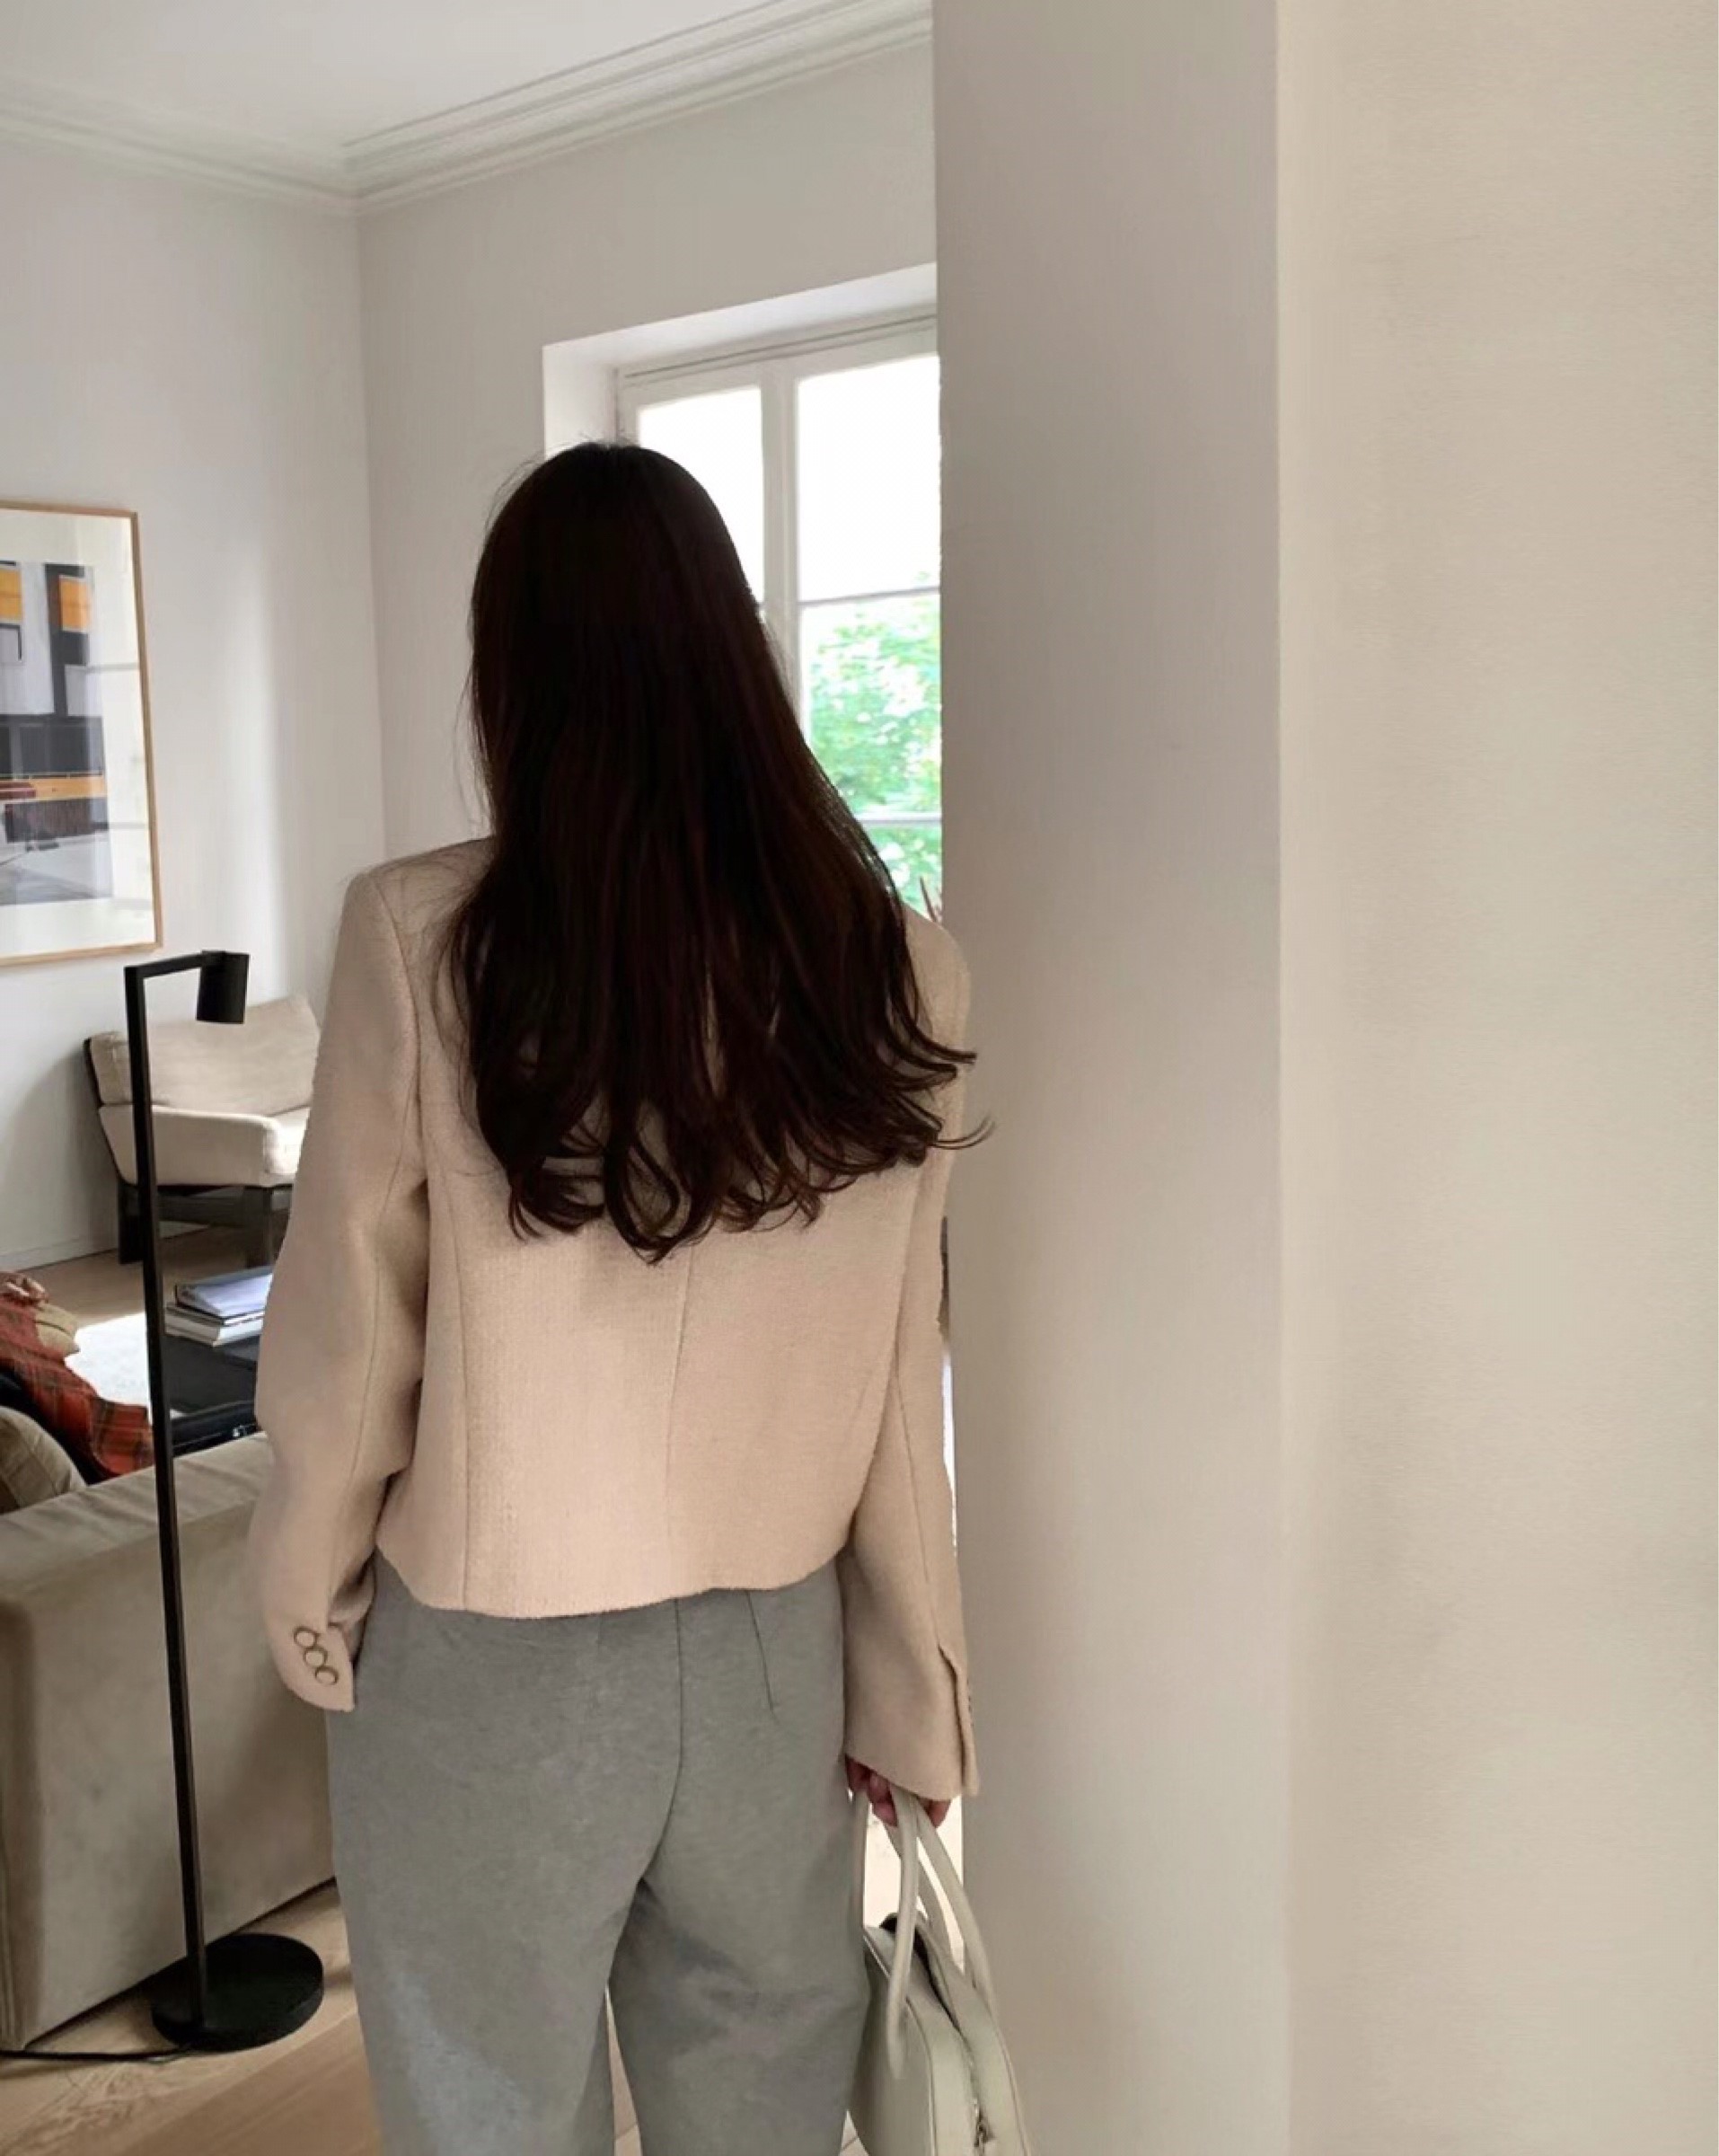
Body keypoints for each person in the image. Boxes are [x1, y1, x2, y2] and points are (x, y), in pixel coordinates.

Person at [249, 442, 981, 2156]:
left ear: (512, 672)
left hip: (491, 1650)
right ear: (736, 647)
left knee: (489, 2102)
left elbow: (352, 1348)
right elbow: (896, 1380)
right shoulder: (891, 963)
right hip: (773, 1649)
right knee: (766, 2096)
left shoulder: (424, 939)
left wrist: (312, 1596)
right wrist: (905, 1678)